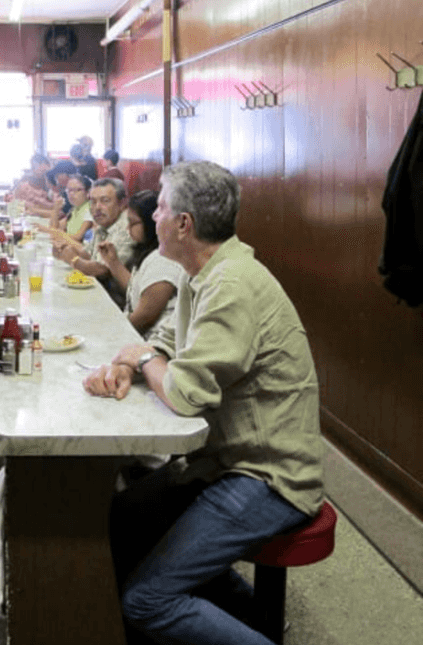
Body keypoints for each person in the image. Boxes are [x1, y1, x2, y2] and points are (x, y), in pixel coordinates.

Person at [82, 161, 324, 645]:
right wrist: (136, 362)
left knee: (146, 599)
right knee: (120, 521)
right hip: (224, 459)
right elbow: (170, 341)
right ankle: (248, 618)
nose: (154, 216)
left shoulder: (231, 283)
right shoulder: (203, 273)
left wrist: (144, 355)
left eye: (163, 207)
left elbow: (186, 394)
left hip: (268, 475)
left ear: (184, 224)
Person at [98, 190, 182, 341]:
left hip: (153, 343)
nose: (127, 228)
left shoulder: (164, 259)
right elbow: (136, 289)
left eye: (133, 222)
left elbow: (144, 317)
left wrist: (110, 334)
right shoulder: (148, 252)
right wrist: (113, 262)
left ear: (152, 222)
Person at [54, 177, 134, 308]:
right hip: (102, 294)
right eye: (93, 201)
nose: (97, 207)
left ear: (122, 203)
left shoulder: (126, 227)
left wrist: (73, 259)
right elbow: (88, 253)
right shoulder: (103, 225)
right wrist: (65, 248)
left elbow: (102, 269)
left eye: (105, 201)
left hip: (118, 303)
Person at [46, 173, 93, 244]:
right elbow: (54, 228)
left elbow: (77, 237)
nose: (71, 194)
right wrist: (56, 209)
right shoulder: (75, 208)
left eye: (76, 190)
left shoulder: (90, 209)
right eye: (69, 190)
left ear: (88, 192)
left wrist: (58, 234)